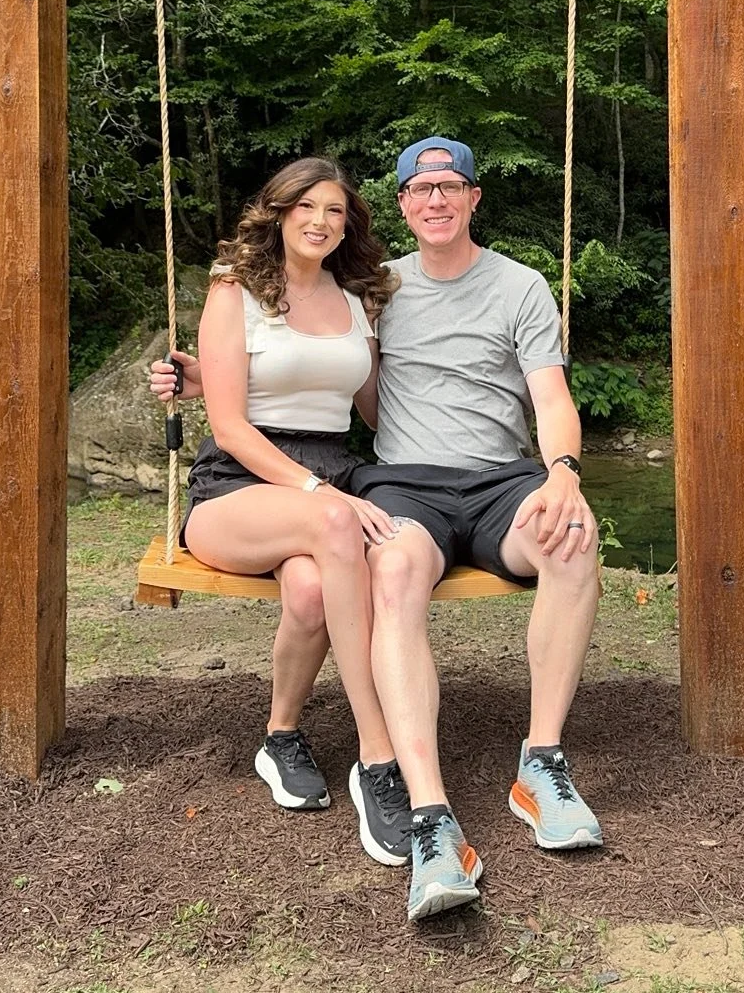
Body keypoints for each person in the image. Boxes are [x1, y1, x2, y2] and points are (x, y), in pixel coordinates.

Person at [357, 137, 603, 922]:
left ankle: (542, 764)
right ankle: (431, 819)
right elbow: (315, 363)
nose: (435, 200)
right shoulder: (376, 288)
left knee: (572, 538)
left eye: (450, 186)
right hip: (404, 483)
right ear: (401, 204)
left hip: (502, 480)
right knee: (393, 570)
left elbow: (550, 395)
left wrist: (561, 469)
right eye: (420, 189)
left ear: (473, 199)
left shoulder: (521, 285)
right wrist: (198, 376)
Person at [148, 157, 413, 867]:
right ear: (280, 213)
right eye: (307, 207)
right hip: (240, 480)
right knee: (334, 525)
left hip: (331, 471)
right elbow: (231, 425)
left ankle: (281, 736)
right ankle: (378, 757)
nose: (321, 221)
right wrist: (316, 493)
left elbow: (381, 410)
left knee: (308, 593)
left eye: (335, 210)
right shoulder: (234, 292)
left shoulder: (358, 299)